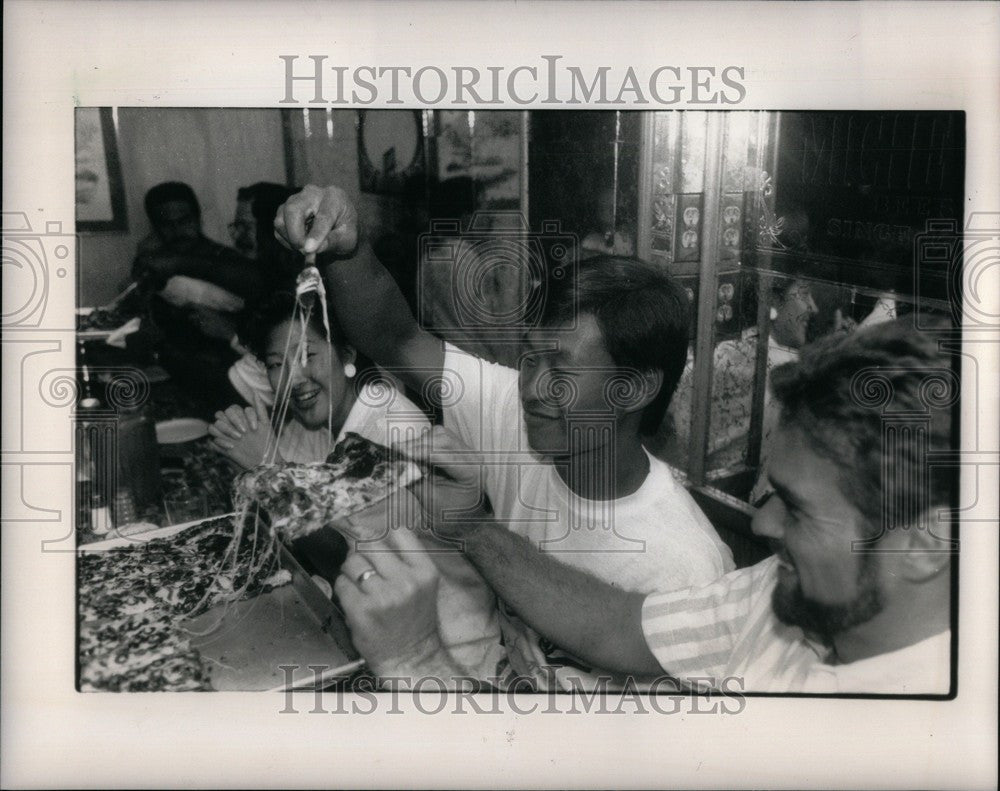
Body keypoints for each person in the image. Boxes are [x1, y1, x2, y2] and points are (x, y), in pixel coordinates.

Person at [273, 185, 734, 690]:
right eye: (531, 357)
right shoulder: (522, 419)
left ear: (635, 388)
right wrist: (348, 249)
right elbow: (396, 338)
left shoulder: (686, 571)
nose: (533, 388)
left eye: (561, 369)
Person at [387, 319, 954, 694]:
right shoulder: (774, 594)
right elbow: (616, 628)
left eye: (799, 510)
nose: (762, 523)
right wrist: (470, 527)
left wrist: (415, 661)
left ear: (926, 543)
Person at [208, 291, 503, 676]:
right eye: (276, 364)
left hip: (448, 653)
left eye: (307, 356)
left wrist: (270, 471)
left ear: (347, 354)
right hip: (374, 632)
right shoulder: (311, 424)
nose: (294, 378)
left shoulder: (394, 431)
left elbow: (350, 564)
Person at [666, 273, 819, 489]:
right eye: (804, 294)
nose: (814, 307)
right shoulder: (791, 373)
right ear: (773, 302)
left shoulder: (719, 353)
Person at [131, 182, 266, 414]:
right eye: (166, 224)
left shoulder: (230, 262)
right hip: (172, 384)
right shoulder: (151, 263)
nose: (177, 230)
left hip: (232, 389)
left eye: (184, 221)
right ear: (155, 227)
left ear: (197, 217)